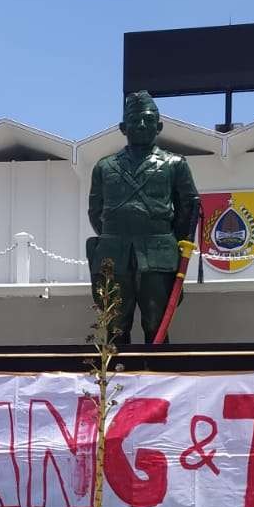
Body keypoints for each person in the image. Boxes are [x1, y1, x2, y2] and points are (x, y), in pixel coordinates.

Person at [86, 90, 201, 344]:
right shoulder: (104, 167)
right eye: (135, 120)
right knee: (115, 325)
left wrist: (169, 239)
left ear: (159, 126)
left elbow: (188, 208)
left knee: (156, 323)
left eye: (148, 120)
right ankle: (117, 378)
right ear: (123, 127)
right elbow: (95, 212)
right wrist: (122, 232)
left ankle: (158, 377)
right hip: (113, 254)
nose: (141, 125)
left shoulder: (175, 164)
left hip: (159, 254)